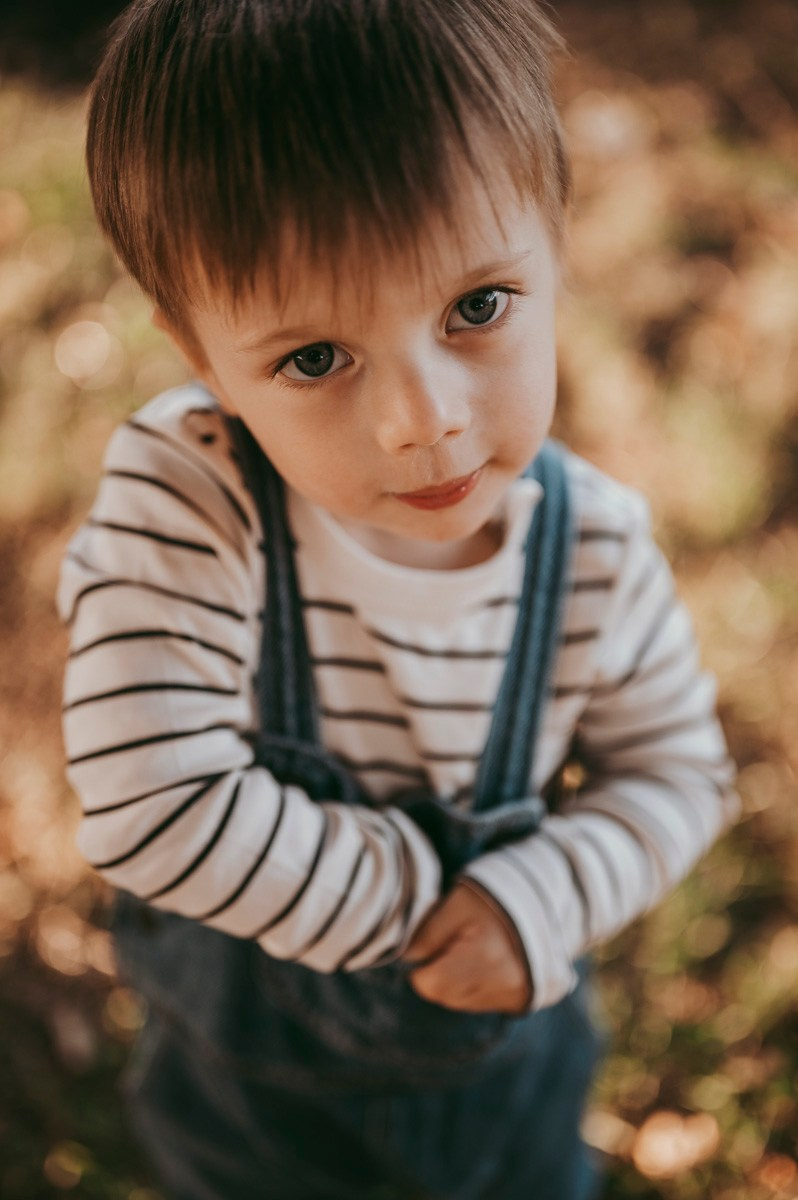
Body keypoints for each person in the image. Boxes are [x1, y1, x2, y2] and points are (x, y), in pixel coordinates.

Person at [56, 1, 739, 1196]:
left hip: (502, 1094)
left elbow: (678, 773)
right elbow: (151, 797)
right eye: (313, 359)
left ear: (556, 241)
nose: (423, 422)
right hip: (249, 1103)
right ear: (200, 356)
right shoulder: (196, 494)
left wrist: (533, 902)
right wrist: (411, 909)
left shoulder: (594, 554)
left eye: (476, 308)